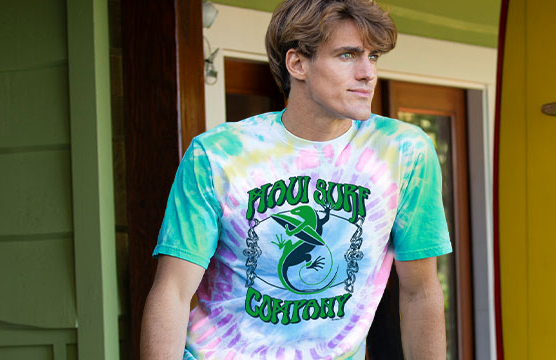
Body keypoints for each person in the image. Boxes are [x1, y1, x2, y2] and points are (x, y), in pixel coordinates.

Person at [139, 0, 450, 358]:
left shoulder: (403, 153)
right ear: (298, 63)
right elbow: (172, 292)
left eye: (373, 56)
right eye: (348, 55)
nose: (368, 72)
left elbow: (420, 291)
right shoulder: (217, 155)